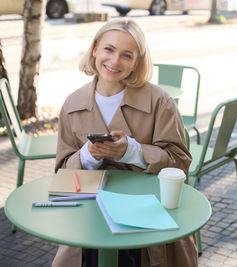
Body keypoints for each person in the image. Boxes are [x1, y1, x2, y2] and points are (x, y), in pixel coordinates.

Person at [52, 18, 196, 267]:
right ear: (95, 48)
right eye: (109, 49)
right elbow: (61, 172)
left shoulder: (160, 101)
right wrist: (88, 155)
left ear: (136, 63)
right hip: (89, 219)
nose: (115, 61)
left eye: (126, 55)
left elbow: (180, 163)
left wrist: (131, 151)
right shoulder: (72, 105)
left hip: (149, 221)